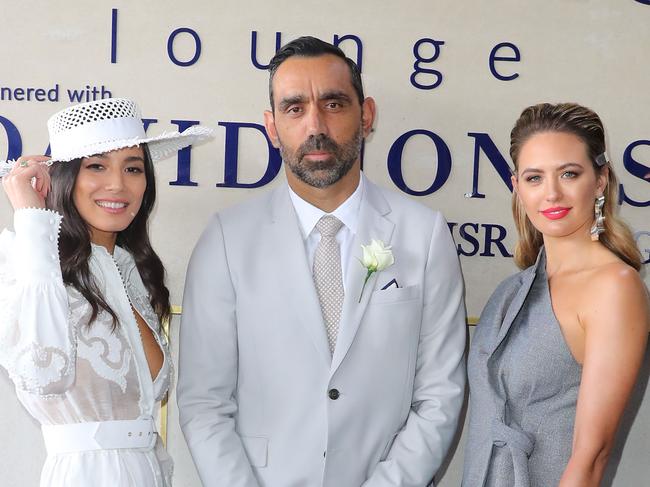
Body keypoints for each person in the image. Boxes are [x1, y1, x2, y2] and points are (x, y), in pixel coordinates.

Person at [177, 36, 466, 487]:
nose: (316, 125)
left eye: (333, 104)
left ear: (365, 115)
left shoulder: (423, 235)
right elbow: (204, 404)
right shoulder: (226, 241)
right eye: (295, 108)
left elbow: (440, 396)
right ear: (271, 127)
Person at [0, 97, 212, 487]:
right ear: (65, 177)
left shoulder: (131, 270)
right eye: (96, 166)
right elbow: (42, 374)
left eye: (133, 168)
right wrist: (31, 218)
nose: (118, 184)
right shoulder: (27, 265)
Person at [462, 102, 650, 487]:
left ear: (600, 180)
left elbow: (591, 456)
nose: (551, 194)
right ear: (517, 187)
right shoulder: (511, 291)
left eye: (569, 174)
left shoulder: (615, 287)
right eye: (534, 178)